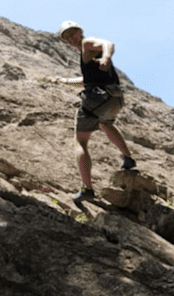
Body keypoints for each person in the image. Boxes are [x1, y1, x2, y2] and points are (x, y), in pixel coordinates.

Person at [47, 20, 135, 207]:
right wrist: (62, 80)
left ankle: (87, 189)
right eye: (67, 37)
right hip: (114, 99)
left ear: (80, 31)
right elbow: (87, 80)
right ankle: (128, 158)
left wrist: (106, 57)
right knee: (105, 124)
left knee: (81, 140)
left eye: (73, 34)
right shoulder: (85, 52)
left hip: (97, 99)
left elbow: (108, 44)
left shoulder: (88, 43)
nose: (71, 39)